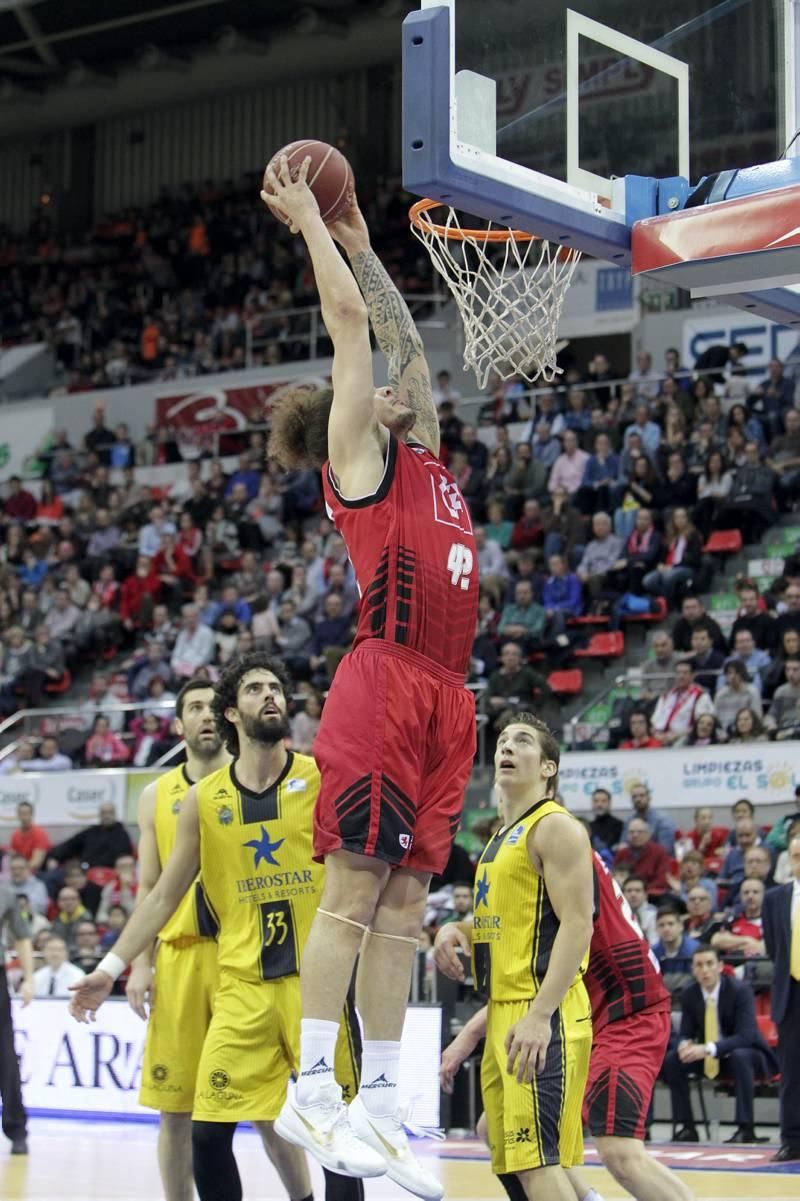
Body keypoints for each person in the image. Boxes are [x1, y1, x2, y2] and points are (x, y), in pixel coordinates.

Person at [263, 166, 476, 1192]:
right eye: (374, 387)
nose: (396, 384)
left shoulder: (425, 449)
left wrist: (358, 230)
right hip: (383, 683)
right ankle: (310, 1082)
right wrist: (310, 224)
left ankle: (381, 1103)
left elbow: (405, 341)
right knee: (353, 890)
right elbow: (355, 327)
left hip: (446, 694)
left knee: (403, 907)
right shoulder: (357, 454)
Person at [68, 654, 367, 1201]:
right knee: (206, 1133)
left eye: (277, 687)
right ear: (232, 712)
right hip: (242, 987)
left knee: (335, 1139)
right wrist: (110, 967)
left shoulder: (321, 775)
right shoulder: (203, 801)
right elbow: (162, 895)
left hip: (317, 986)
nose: (271, 695)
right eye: (255, 689)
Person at [438, 851, 696, 1201]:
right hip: (583, 1012)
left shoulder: (553, 839)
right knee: (497, 1127)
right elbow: (518, 954)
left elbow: (546, 965)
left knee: (620, 1152)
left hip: (625, 1013)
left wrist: (468, 1035)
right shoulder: (524, 846)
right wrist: (455, 928)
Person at [433, 713, 594, 1201]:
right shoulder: (499, 840)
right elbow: (502, 921)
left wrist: (541, 1016)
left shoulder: (555, 827)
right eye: (502, 740)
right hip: (504, 1012)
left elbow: (578, 924)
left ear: (548, 767)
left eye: (521, 741)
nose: (506, 746)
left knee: (539, 1163)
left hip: (541, 1012)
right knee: (510, 1155)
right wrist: (453, 929)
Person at [123, 678, 231, 1201]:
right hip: (179, 955)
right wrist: (139, 964)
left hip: (243, 959)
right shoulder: (155, 795)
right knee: (175, 1107)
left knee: (267, 1108)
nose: (206, 715)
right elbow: (149, 886)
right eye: (194, 707)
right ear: (179, 723)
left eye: (214, 706)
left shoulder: (249, 780)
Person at [661, 946, 776, 1143]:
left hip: (750, 1055)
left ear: (720, 966)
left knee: (741, 1055)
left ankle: (745, 1129)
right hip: (712, 1058)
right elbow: (685, 1033)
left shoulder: (740, 991)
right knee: (673, 1060)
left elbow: (746, 1036)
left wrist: (707, 1048)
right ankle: (687, 1127)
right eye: (699, 965)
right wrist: (683, 1045)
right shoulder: (690, 994)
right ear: (693, 969)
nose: (704, 970)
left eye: (709, 964)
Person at [762, 833, 800, 1162]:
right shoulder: (775, 898)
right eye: (796, 855)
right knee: (791, 1072)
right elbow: (775, 949)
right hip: (791, 993)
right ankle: (791, 1139)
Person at [0, 879, 33, 1155]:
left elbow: (22, 936)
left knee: (6, 1058)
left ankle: (16, 1128)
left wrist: (30, 978)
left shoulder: (5, 893)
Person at [50, 801, 134, 869]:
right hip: (83, 873)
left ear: (115, 814)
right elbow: (70, 845)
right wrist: (55, 857)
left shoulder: (122, 834)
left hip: (108, 874)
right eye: (103, 813)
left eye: (110, 812)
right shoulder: (91, 832)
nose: (106, 816)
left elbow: (123, 858)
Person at [623, 783, 676, 853]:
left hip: (656, 861)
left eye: (642, 796)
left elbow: (665, 850)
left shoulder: (663, 820)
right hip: (632, 860)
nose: (638, 799)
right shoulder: (629, 821)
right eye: (634, 797)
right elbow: (623, 845)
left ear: (649, 798)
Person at [7, 800, 51, 870]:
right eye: (20, 814)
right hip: (19, 871)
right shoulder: (15, 835)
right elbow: (12, 858)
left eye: (26, 814)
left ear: (32, 814)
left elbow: (36, 863)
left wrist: (21, 872)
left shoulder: (40, 834)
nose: (23, 817)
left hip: (37, 872)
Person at [589, 787, 623, 854]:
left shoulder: (619, 825)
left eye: (603, 801)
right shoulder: (589, 827)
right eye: (596, 801)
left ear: (609, 803)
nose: (599, 804)